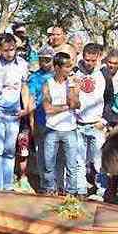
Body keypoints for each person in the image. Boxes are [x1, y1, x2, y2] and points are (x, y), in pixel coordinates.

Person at [0, 33, 31, 190]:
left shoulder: (22, 63)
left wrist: (26, 108)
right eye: (7, 50)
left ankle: (8, 186)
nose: (11, 53)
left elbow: (24, 87)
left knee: (9, 151)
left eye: (13, 49)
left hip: (14, 112)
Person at [41, 52, 81, 196]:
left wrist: (70, 87)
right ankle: (50, 190)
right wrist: (66, 107)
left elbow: (75, 104)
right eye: (67, 66)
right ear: (57, 67)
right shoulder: (48, 84)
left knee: (71, 164)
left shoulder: (73, 83)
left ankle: (71, 193)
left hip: (70, 129)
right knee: (48, 164)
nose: (70, 69)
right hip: (52, 129)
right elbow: (47, 109)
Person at [74, 43, 107, 198]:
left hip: (96, 124)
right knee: (79, 159)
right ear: (83, 57)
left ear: (99, 58)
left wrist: (105, 120)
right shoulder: (75, 73)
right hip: (78, 124)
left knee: (98, 161)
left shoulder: (103, 75)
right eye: (87, 60)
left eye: (93, 61)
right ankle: (81, 189)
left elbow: (110, 99)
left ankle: (101, 191)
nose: (90, 64)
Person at [28, 46, 56, 191]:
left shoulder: (59, 75)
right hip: (40, 120)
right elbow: (31, 100)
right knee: (42, 154)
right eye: (41, 59)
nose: (44, 62)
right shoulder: (34, 78)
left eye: (47, 59)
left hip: (57, 122)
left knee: (55, 155)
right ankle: (45, 185)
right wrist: (32, 122)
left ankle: (56, 184)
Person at [101, 48, 118, 127]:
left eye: (115, 63)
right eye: (109, 62)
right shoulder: (99, 74)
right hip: (101, 118)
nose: (111, 66)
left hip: (117, 119)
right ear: (106, 61)